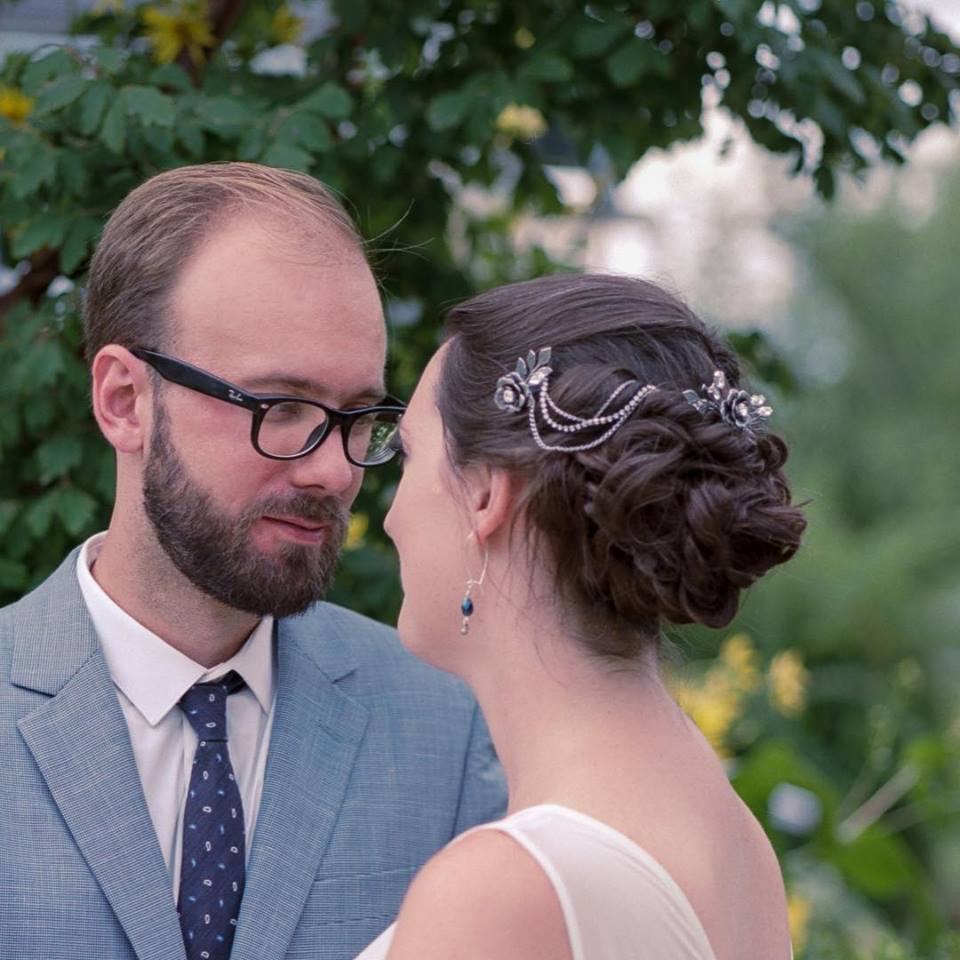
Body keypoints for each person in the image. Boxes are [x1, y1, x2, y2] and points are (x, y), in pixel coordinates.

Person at [0, 163, 505, 960]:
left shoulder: (444, 729)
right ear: (125, 401)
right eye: (281, 407)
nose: (335, 473)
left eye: (357, 417)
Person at [356, 273, 806, 960]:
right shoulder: (734, 838)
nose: (388, 515)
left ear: (483, 497)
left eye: (410, 455)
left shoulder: (500, 892)